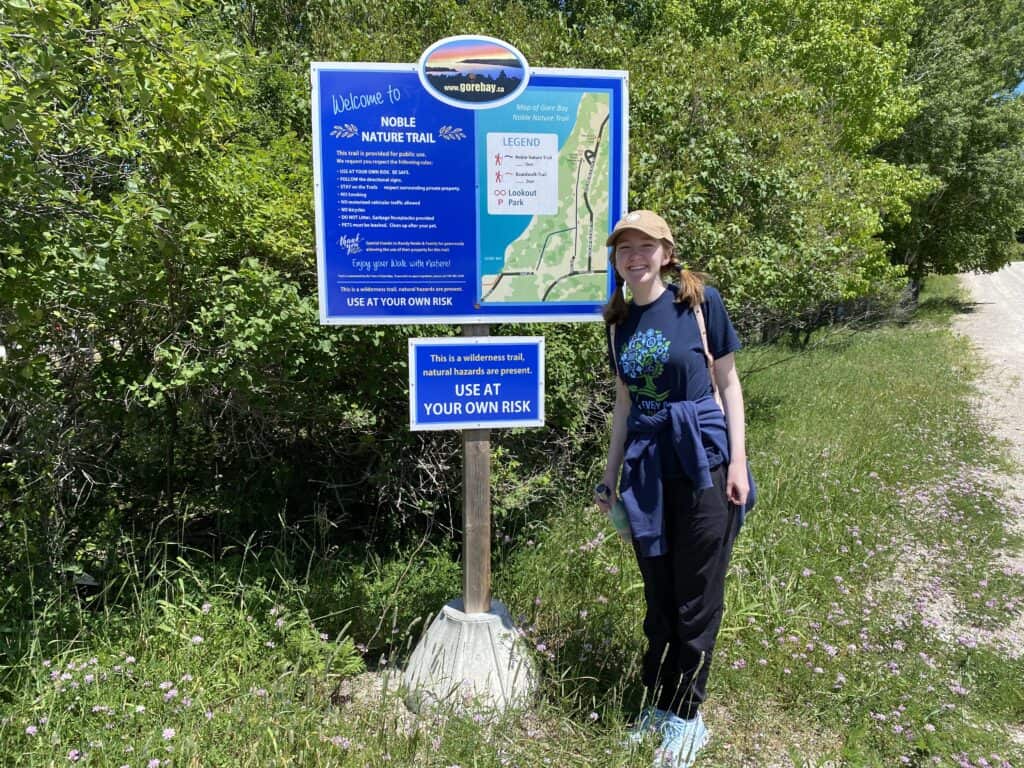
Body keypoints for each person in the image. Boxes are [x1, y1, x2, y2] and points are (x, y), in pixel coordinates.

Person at [594, 210, 750, 768]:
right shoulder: (616, 322)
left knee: (696, 593)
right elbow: (624, 406)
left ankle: (689, 717)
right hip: (647, 470)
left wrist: (739, 463)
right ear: (615, 261)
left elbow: (728, 386)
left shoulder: (700, 304)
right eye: (623, 249)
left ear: (666, 252)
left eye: (644, 246)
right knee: (659, 594)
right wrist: (610, 475)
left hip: (704, 462)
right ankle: (660, 706)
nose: (634, 257)